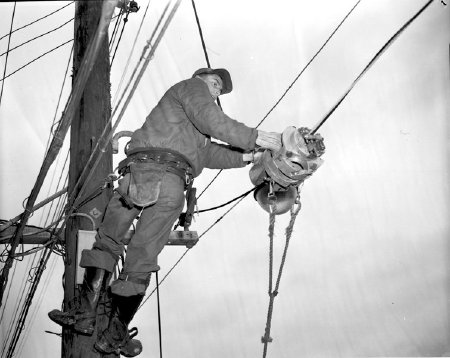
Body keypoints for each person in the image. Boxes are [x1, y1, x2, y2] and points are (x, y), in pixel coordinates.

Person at [48, 67, 282, 356]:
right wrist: (255, 137)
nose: (217, 90)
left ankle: (86, 313)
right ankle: (114, 333)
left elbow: (209, 154)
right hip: (169, 183)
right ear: (201, 76)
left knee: (108, 241)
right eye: (215, 82)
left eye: (220, 89)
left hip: (146, 173)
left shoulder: (192, 128)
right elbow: (212, 119)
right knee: (142, 257)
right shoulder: (191, 88)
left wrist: (249, 156)